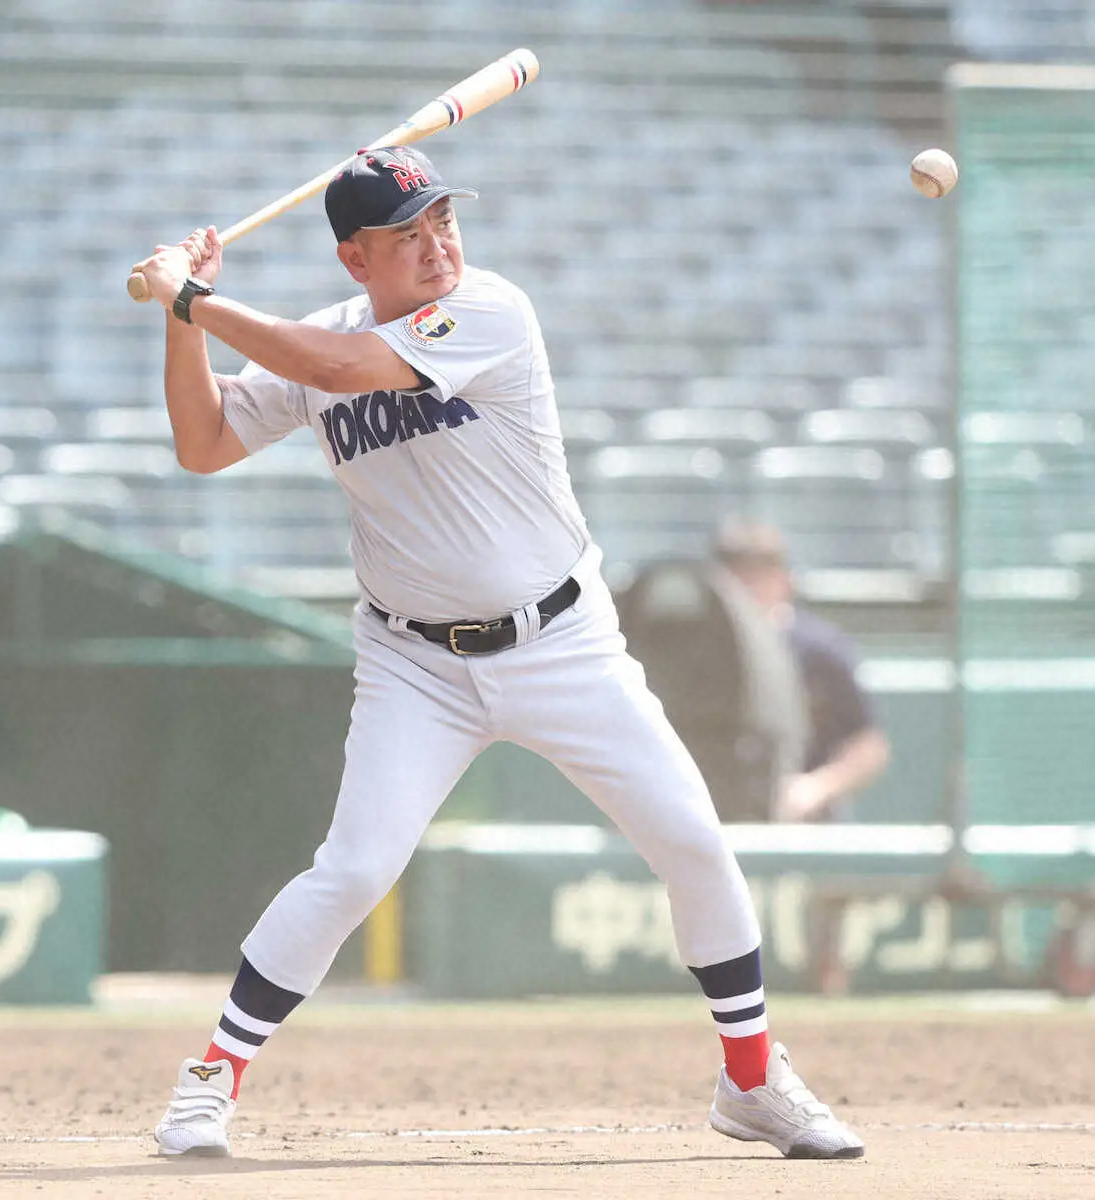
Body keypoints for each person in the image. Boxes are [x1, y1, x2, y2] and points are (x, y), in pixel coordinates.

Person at [131, 145, 863, 1161]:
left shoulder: (488, 311)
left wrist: (196, 295)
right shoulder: (321, 336)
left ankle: (751, 1082)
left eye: (443, 219)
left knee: (693, 840)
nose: (437, 244)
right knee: (353, 870)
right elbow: (203, 442)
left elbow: (336, 369)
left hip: (560, 639)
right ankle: (211, 1077)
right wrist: (181, 319)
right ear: (354, 260)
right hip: (414, 665)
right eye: (406, 234)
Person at [711, 521, 891, 822]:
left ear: (784, 580)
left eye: (759, 577)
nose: (748, 592)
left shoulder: (819, 649)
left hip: (805, 824)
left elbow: (869, 746)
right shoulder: (701, 652)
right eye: (738, 581)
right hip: (722, 816)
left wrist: (817, 787)